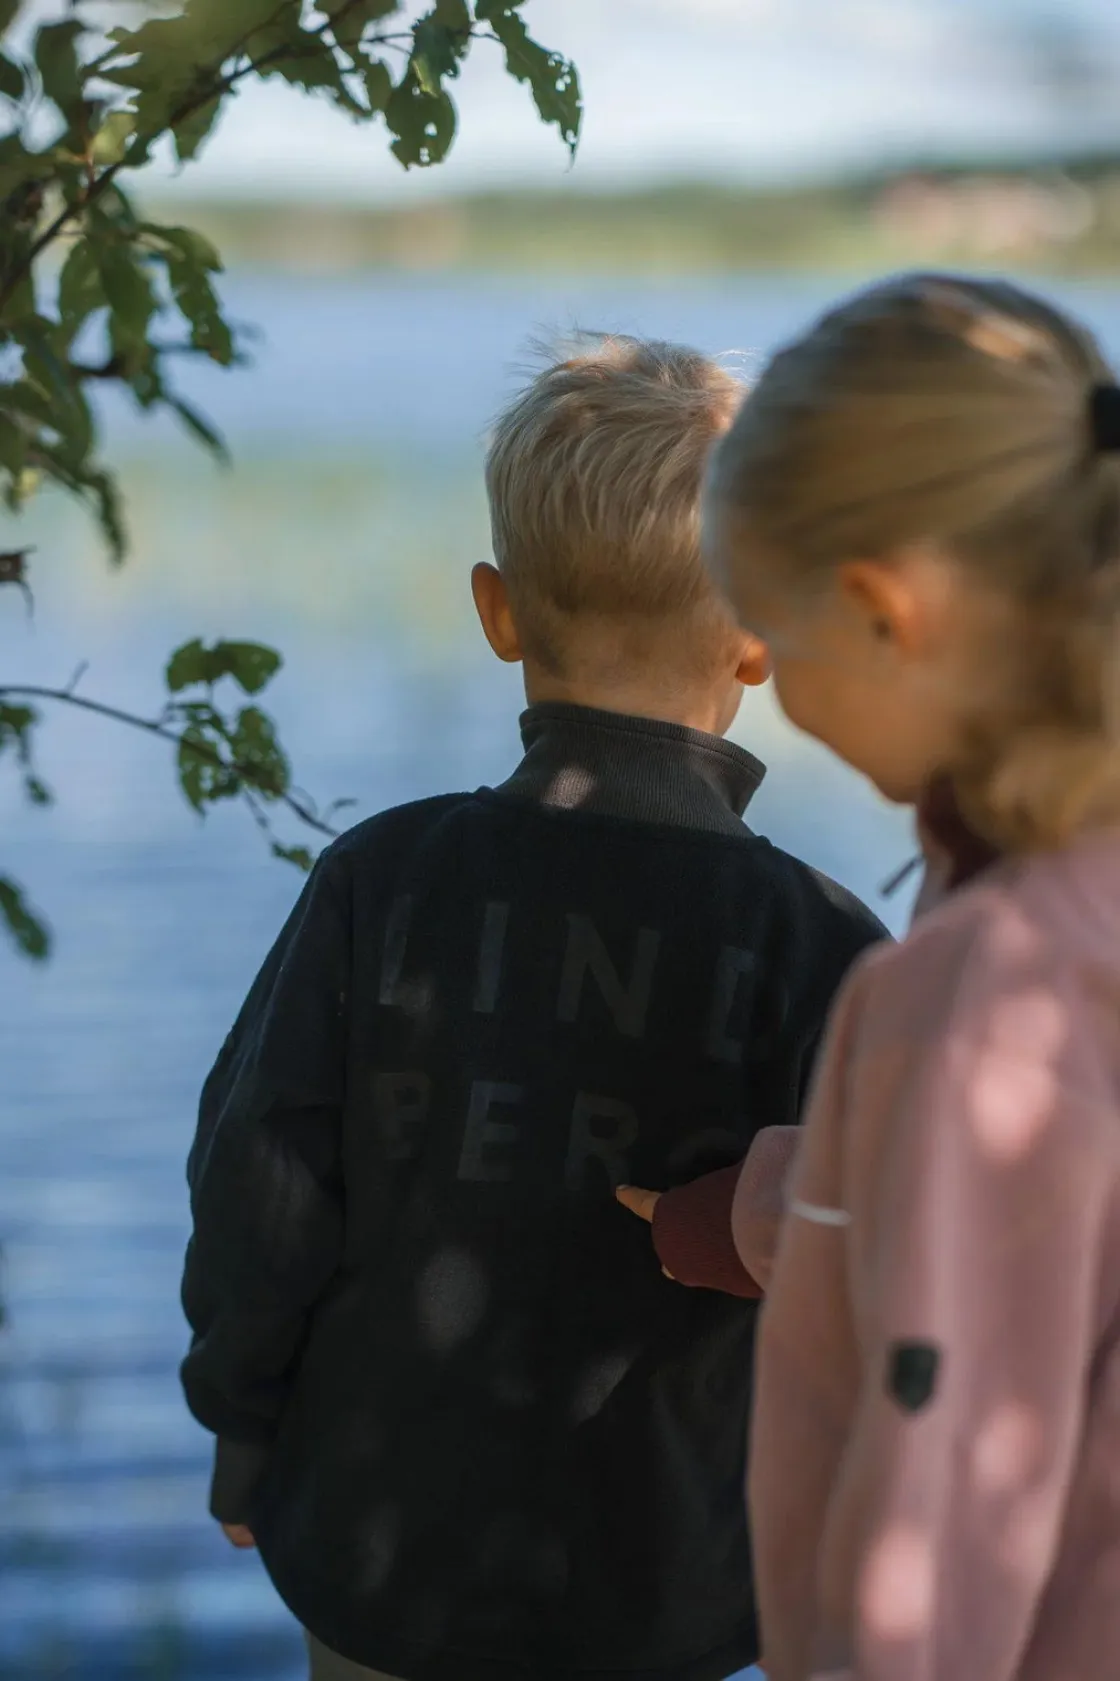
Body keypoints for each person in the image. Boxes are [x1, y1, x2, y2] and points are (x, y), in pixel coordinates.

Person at [179, 333, 885, 1681]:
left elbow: (260, 1178)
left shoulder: (381, 880)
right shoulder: (823, 942)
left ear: (498, 612)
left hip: (382, 1565)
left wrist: (242, 1423)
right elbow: (890, 1256)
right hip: (667, 1586)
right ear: (756, 639)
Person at [640, 274, 1120, 1681]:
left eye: (775, 639)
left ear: (878, 613)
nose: (775, 686)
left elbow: (937, 1528)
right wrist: (767, 1205)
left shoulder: (977, 996)